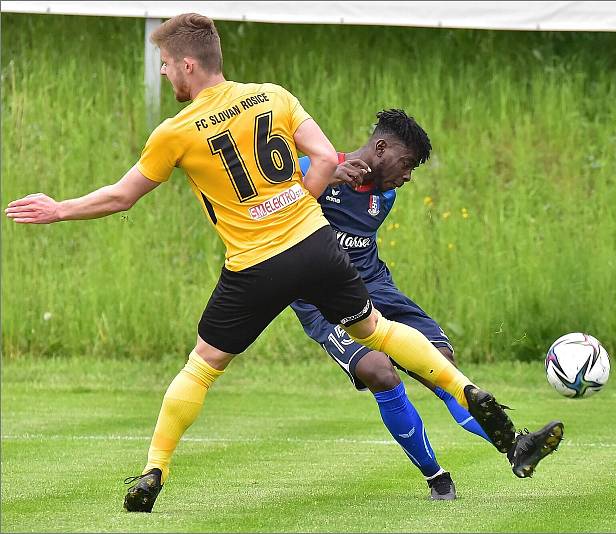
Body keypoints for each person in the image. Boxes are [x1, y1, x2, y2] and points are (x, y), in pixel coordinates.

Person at [5, 14, 562, 513]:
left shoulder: (174, 132)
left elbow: (122, 196)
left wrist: (59, 210)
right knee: (382, 334)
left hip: (254, 265)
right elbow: (325, 159)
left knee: (202, 366)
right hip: (316, 246)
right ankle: (480, 404)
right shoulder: (273, 95)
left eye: (167, 66)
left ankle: (155, 471)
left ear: (189, 64)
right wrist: (299, 203)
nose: (165, 76)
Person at [292, 109, 564, 500]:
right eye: (406, 164)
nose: (407, 176)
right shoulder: (313, 166)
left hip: (375, 287)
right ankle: (436, 477)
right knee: (380, 371)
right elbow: (272, 201)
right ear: (380, 147)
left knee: (442, 361)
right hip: (319, 296)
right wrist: (326, 175)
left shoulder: (385, 195)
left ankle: (516, 448)